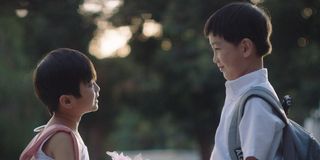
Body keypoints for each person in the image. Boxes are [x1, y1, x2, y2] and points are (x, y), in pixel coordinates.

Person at [203, 2, 284, 160]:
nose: (214, 59)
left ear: (245, 48)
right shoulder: (243, 96)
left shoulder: (256, 102)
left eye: (217, 49)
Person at [20, 48, 100, 160]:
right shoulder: (63, 138)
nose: (97, 88)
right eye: (90, 84)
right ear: (67, 101)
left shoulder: (46, 133)